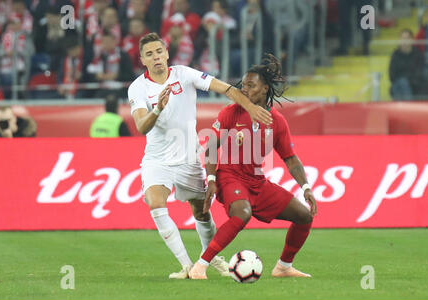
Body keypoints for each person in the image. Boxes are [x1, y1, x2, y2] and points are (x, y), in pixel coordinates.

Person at [127, 32, 272, 279]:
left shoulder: (184, 74)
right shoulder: (138, 88)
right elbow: (142, 126)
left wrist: (251, 107)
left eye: (159, 52)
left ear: (167, 53)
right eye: (149, 54)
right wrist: (159, 108)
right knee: (156, 203)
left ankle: (211, 257)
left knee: (201, 212)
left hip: (188, 157)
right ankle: (187, 266)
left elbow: (226, 89)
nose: (156, 57)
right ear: (142, 60)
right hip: (157, 159)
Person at [189, 54, 317, 280]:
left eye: (251, 85)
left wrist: (306, 187)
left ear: (265, 88)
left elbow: (290, 158)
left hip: (257, 182)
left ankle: (284, 266)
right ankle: (200, 265)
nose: (244, 89)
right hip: (230, 177)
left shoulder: (276, 121)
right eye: (243, 84)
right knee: (242, 214)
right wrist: (211, 179)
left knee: (304, 216)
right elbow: (210, 146)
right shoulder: (231, 113)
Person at [389, 29, 427, 101]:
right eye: (403, 39)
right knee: (402, 84)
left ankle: (404, 107)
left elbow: (419, 73)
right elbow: (392, 75)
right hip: (398, 85)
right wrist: (403, 81)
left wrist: (407, 81)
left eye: (407, 38)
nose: (405, 41)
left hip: (414, 85)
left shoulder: (418, 54)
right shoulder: (395, 55)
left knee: (404, 84)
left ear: (412, 40)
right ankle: (408, 106)